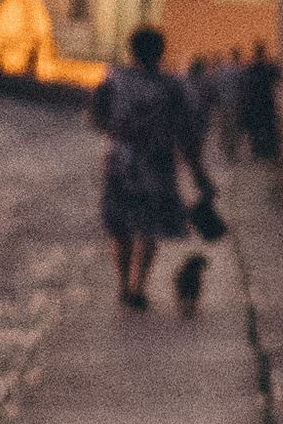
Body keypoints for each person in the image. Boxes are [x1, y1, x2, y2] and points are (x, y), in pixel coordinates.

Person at [86, 25, 210, 312]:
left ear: (132, 50)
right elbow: (186, 131)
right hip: (157, 162)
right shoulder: (172, 86)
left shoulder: (114, 80)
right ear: (161, 51)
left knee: (121, 226)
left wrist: (120, 131)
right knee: (149, 226)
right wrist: (198, 172)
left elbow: (95, 117)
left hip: (121, 161)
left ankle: (122, 285)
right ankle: (138, 286)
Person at [237, 44, 280, 164]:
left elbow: (245, 87)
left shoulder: (251, 69)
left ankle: (259, 153)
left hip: (255, 103)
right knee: (267, 128)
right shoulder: (269, 68)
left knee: (256, 130)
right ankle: (267, 153)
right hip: (266, 102)